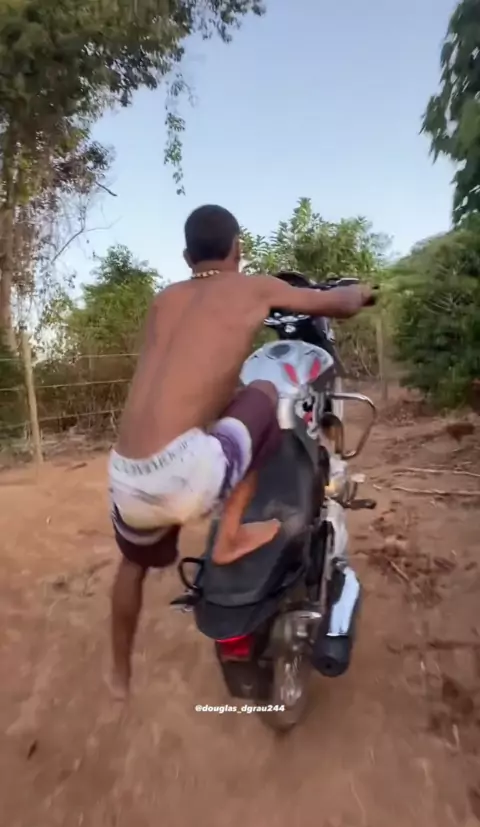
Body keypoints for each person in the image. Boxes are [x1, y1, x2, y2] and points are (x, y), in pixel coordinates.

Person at [108, 204, 373, 698]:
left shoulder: (164, 301)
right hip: (185, 473)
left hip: (125, 476)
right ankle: (228, 537)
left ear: (186, 256)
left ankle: (119, 674)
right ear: (239, 248)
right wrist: (361, 293)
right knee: (265, 394)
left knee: (132, 566)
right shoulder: (253, 287)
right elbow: (335, 304)